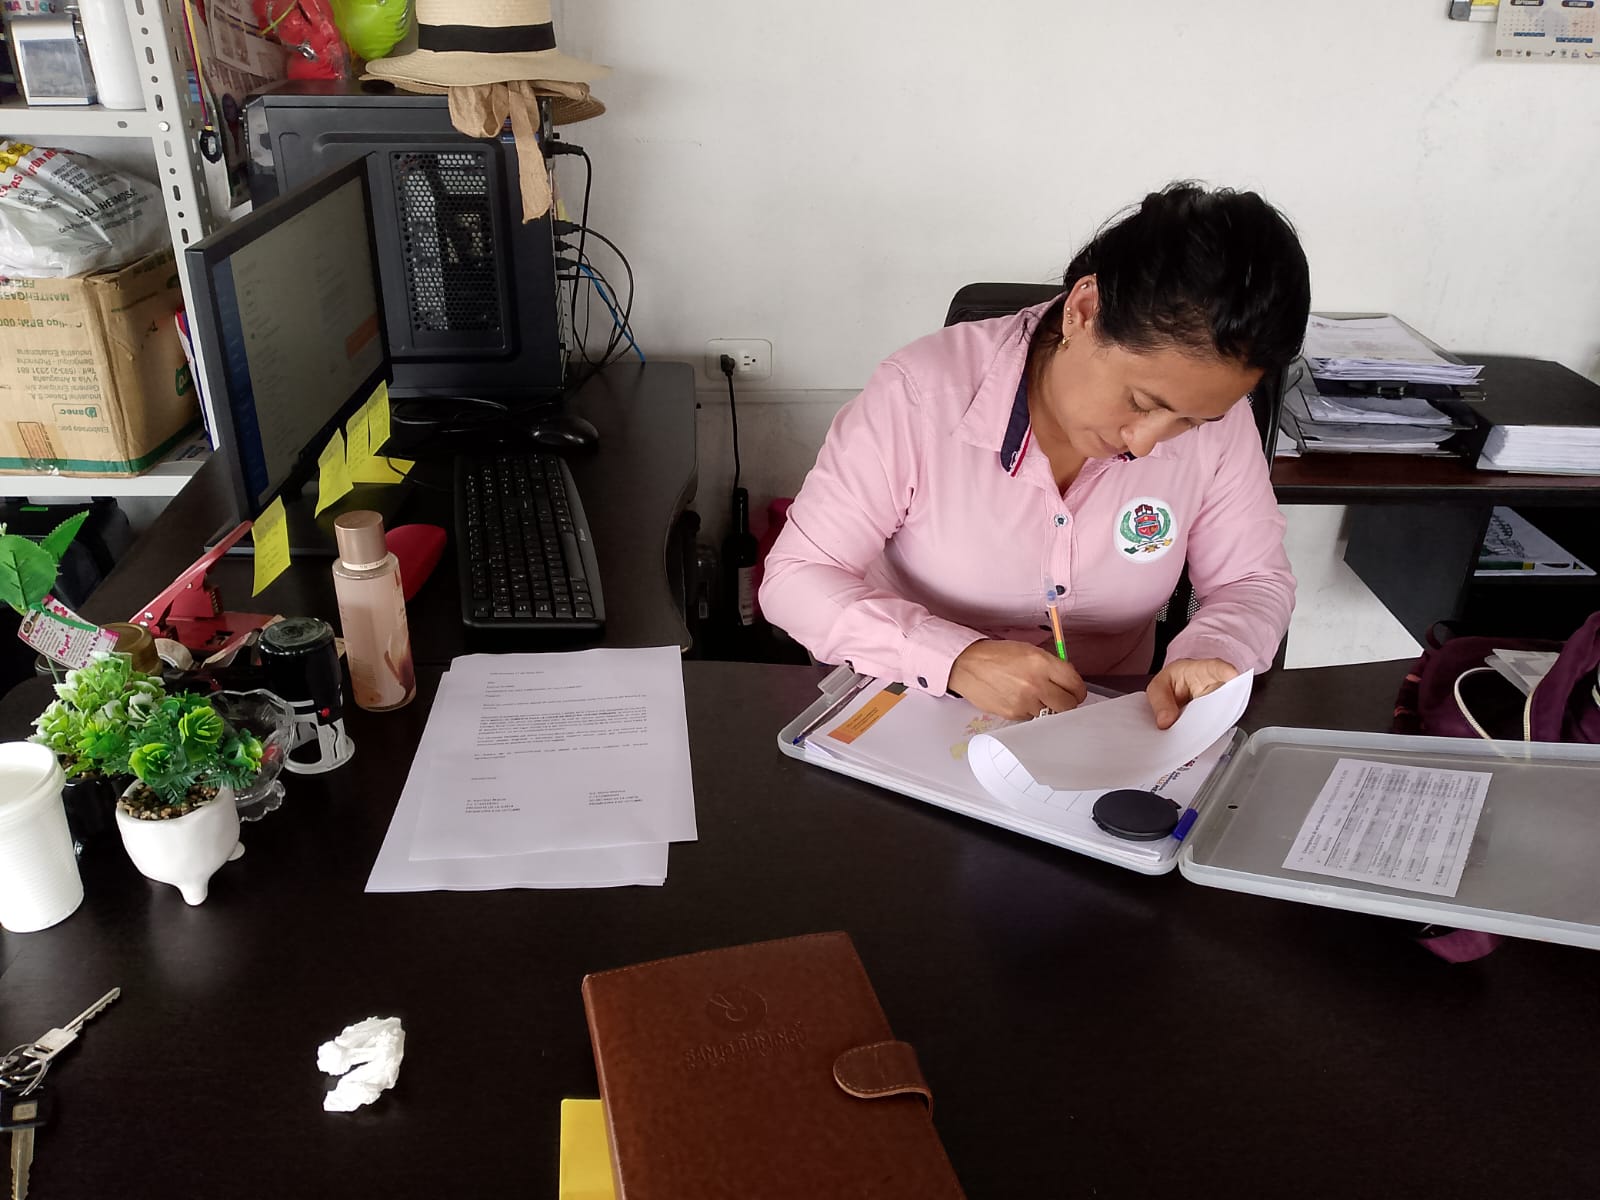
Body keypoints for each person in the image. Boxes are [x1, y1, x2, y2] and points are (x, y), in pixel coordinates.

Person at [760, 182, 1311, 725]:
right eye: (1142, 403)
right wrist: (952, 657)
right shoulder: (920, 396)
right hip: (918, 707)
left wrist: (1213, 652)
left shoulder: (1222, 425)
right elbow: (797, 578)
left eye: (1189, 421)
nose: (1146, 444)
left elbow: (1252, 580)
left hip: (1109, 721)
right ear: (1084, 310)